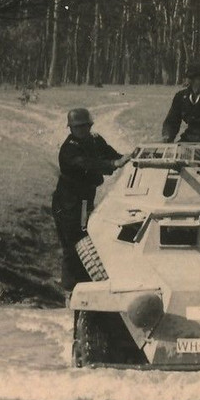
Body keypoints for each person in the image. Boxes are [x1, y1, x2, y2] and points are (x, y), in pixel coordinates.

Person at [52, 107, 129, 291]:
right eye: (77, 127)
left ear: (90, 125)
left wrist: (124, 158)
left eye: (85, 126)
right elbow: (87, 164)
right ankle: (71, 287)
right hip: (68, 201)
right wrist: (112, 164)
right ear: (71, 129)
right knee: (72, 242)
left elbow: (110, 153)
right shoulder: (69, 149)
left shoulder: (94, 140)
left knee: (86, 236)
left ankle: (83, 282)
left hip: (85, 197)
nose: (82, 130)